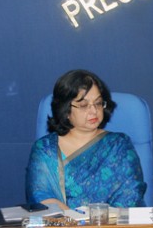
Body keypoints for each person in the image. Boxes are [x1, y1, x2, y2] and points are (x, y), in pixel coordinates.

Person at [26, 69, 146, 210]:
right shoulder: (45, 149)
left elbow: (130, 196)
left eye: (98, 103)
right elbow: (42, 198)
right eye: (83, 105)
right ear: (65, 110)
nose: (94, 111)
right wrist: (77, 222)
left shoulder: (118, 145)